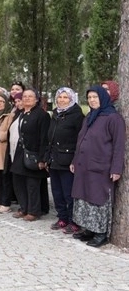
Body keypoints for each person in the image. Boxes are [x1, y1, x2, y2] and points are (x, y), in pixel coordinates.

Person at [70, 85, 125, 247]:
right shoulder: (90, 116)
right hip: (84, 165)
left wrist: (116, 169)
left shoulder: (113, 118)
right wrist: (74, 161)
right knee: (84, 198)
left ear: (103, 98)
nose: (92, 100)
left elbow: (119, 145)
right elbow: (81, 140)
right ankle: (88, 229)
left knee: (98, 200)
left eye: (95, 97)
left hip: (101, 167)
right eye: (89, 98)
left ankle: (101, 233)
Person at [46, 87, 84, 233]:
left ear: (71, 99)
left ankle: (74, 221)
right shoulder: (56, 114)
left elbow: (80, 140)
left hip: (68, 160)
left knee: (69, 193)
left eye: (65, 97)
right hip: (54, 159)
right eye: (60, 97)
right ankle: (62, 218)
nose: (62, 100)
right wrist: (47, 157)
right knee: (57, 192)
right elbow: (50, 138)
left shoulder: (77, 115)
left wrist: (75, 159)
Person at [11, 88, 50, 222]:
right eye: (25, 96)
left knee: (32, 184)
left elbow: (44, 138)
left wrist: (42, 158)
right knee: (18, 181)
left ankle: (34, 211)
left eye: (30, 96)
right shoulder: (22, 114)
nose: (27, 98)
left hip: (34, 154)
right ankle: (24, 207)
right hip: (21, 153)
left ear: (36, 99)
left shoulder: (42, 115)